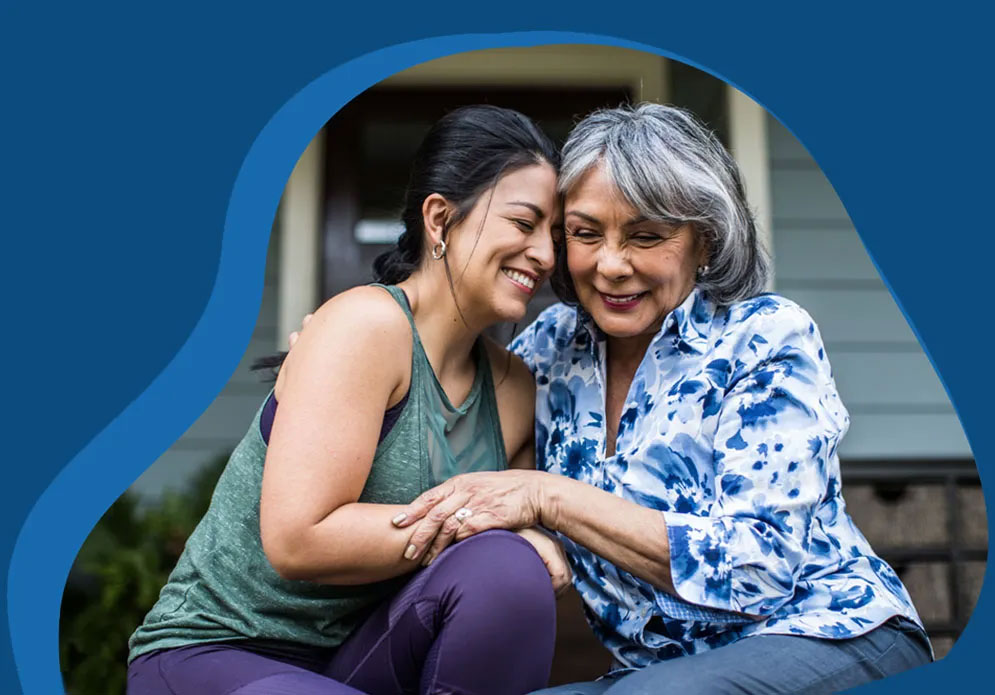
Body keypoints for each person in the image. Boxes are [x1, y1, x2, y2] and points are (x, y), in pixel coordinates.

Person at [385, 103, 934, 694]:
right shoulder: (545, 352)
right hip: (656, 675)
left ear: (705, 242)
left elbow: (757, 570)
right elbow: (454, 450)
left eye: (647, 236)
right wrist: (354, 352)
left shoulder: (764, 337)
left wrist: (549, 499)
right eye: (585, 233)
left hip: (831, 634)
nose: (612, 265)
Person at [126, 104, 571, 695]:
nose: (545, 253)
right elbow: (298, 538)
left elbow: (518, 547)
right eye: (524, 223)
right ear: (440, 220)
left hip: (363, 658)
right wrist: (481, 524)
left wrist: (531, 538)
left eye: (556, 234)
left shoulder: (514, 388)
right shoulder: (366, 326)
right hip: (218, 650)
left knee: (507, 571)